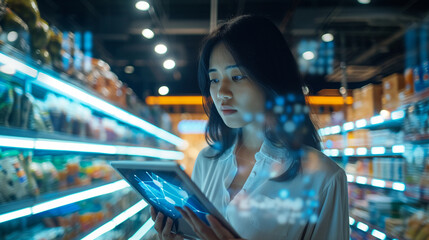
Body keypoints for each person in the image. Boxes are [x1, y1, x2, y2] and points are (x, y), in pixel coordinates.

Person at [150, 15, 349, 240]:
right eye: (214, 79)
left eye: (237, 76)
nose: (221, 92)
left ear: (271, 78)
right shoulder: (207, 160)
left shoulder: (324, 177)